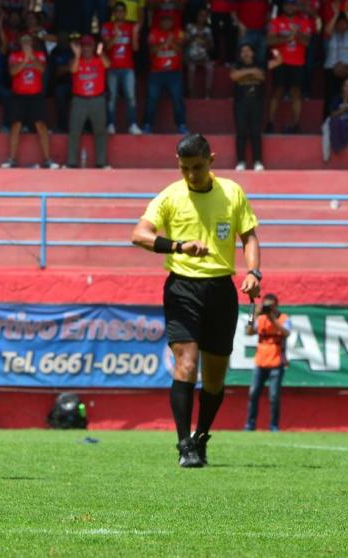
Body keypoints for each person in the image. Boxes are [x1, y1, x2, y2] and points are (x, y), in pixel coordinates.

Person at [130, 133, 261, 468]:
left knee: (215, 375)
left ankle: (202, 437)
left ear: (212, 161)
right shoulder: (170, 196)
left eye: (197, 167)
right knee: (186, 363)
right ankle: (184, 443)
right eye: (185, 168)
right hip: (182, 288)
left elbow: (249, 237)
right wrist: (177, 246)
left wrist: (253, 273)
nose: (191, 175)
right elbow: (139, 234)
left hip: (221, 289)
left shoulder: (232, 192)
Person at [1, 34, 57, 169]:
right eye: (24, 41)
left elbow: (42, 69)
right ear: (20, 43)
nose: (26, 44)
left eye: (28, 41)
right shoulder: (14, 56)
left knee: (41, 126)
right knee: (16, 126)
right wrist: (25, 60)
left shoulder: (39, 55)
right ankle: (12, 159)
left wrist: (32, 58)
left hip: (35, 96)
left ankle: (48, 160)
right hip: (18, 96)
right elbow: (13, 72)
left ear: (32, 43)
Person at [243, 293, 291, 432]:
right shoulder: (261, 318)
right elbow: (249, 331)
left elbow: (286, 333)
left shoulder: (283, 318)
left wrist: (272, 318)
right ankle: (250, 424)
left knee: (274, 396)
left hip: (276, 363)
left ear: (277, 305)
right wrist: (254, 315)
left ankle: (274, 425)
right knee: (253, 393)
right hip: (260, 362)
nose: (268, 308)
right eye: (266, 305)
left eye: (270, 305)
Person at [266, 0, 311, 134]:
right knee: (277, 92)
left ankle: (296, 124)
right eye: (287, 4)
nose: (289, 7)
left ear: (296, 7)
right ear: (283, 6)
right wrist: (287, 38)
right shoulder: (276, 21)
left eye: (292, 4)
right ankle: (270, 123)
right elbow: (269, 41)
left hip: (298, 62)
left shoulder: (304, 22)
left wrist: (296, 33)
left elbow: (307, 42)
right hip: (280, 62)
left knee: (296, 93)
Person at [66, 35, 109, 169]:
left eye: (89, 46)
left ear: (93, 47)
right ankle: (71, 162)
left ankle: (101, 162)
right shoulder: (75, 60)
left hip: (97, 99)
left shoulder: (99, 60)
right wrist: (77, 55)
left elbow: (108, 64)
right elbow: (73, 69)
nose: (86, 49)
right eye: (83, 46)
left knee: (100, 131)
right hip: (80, 100)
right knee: (75, 131)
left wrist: (100, 54)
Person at [232, 45, 277, 171]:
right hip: (240, 102)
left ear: (253, 52)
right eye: (243, 51)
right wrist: (252, 72)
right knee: (241, 132)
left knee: (256, 132)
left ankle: (258, 161)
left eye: (248, 50)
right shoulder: (237, 65)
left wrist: (244, 74)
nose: (245, 53)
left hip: (257, 102)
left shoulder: (260, 63)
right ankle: (241, 161)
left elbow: (262, 76)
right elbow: (234, 76)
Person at [143, 13, 187, 135]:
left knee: (178, 99)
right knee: (152, 99)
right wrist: (165, 43)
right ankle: (147, 125)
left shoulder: (179, 32)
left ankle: (181, 125)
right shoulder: (154, 33)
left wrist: (171, 42)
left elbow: (180, 50)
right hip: (156, 72)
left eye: (169, 21)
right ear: (160, 22)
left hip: (174, 72)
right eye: (164, 21)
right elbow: (152, 51)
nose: (167, 23)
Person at [101, 2, 140, 135]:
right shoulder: (107, 26)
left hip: (128, 67)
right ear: (113, 13)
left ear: (125, 13)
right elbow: (106, 47)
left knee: (130, 96)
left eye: (122, 11)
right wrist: (116, 36)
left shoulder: (130, 27)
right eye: (117, 11)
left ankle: (132, 124)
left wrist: (134, 33)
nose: (119, 13)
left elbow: (135, 48)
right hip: (112, 67)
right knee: (112, 97)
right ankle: (110, 124)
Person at [322, 78, 348, 163]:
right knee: (328, 126)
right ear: (343, 88)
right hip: (339, 123)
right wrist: (342, 109)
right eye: (346, 86)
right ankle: (325, 156)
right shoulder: (337, 98)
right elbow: (332, 114)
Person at [185, 7, 215, 99]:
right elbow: (185, 43)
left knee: (210, 68)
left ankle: (207, 93)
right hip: (191, 57)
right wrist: (193, 36)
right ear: (197, 16)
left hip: (203, 57)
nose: (202, 18)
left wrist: (205, 40)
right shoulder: (189, 27)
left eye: (205, 16)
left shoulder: (208, 30)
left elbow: (211, 47)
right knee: (191, 69)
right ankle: (191, 93)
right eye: (201, 15)